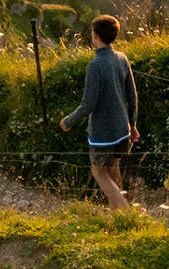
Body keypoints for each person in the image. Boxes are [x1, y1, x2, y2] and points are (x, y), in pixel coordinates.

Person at [58, 13, 140, 208]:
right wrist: (133, 124)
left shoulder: (95, 66)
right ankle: (117, 214)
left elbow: (88, 104)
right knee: (114, 168)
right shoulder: (122, 58)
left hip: (103, 133)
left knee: (99, 172)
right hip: (123, 130)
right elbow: (132, 95)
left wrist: (68, 121)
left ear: (95, 35)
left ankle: (124, 211)